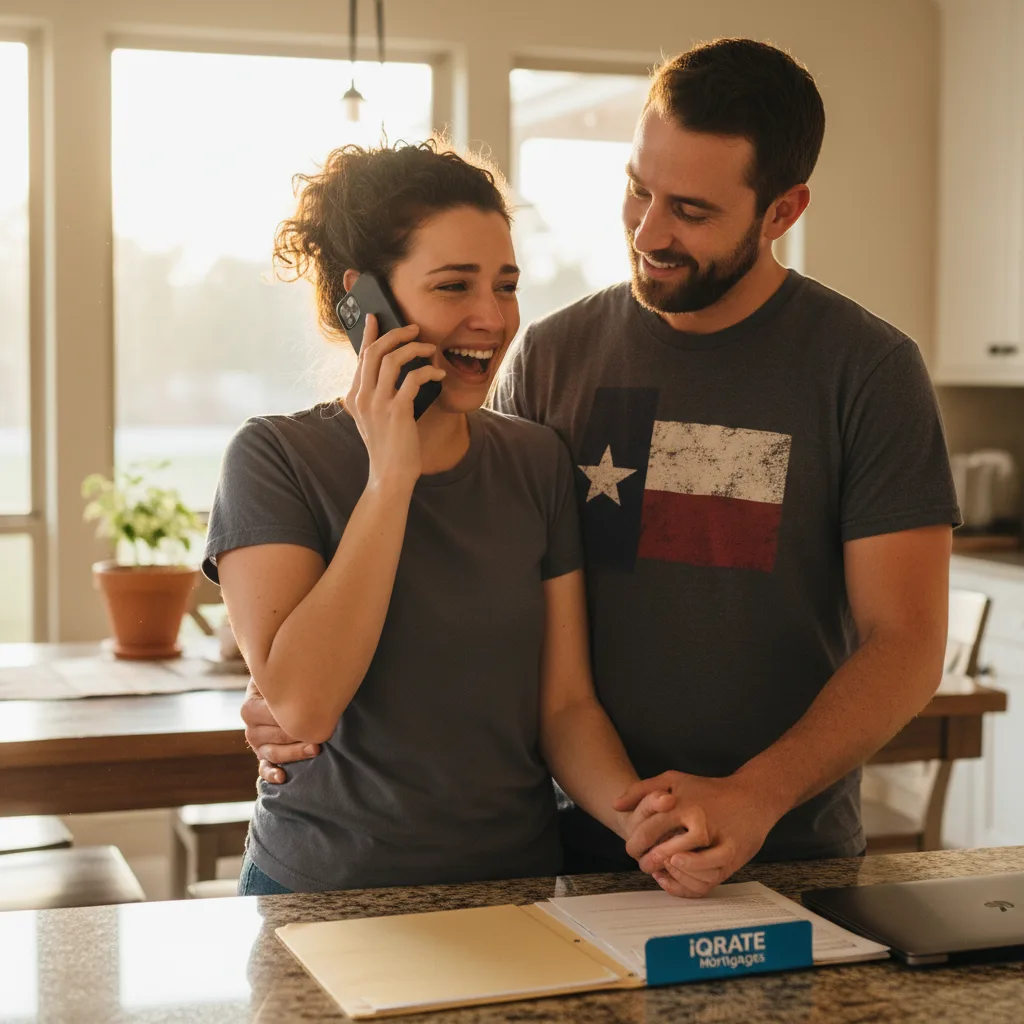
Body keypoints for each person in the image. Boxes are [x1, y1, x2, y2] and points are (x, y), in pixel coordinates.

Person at [244, 39, 959, 898]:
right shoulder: (552, 355)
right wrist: (290, 693)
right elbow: (473, 577)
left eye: (690, 210)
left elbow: (907, 643)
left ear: (782, 212)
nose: (650, 231)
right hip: (570, 843)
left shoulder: (867, 371)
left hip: (785, 840)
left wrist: (753, 795)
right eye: (637, 189)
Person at [204, 140, 668, 896]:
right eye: (454, 286)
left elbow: (566, 706)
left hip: (516, 884)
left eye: (506, 284)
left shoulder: (537, 462)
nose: (491, 317)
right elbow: (303, 705)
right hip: (325, 891)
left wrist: (640, 821)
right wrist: (391, 477)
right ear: (366, 303)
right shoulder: (273, 459)